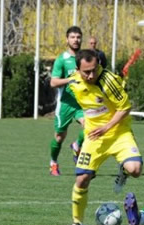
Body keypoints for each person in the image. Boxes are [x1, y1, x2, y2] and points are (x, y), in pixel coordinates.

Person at [62, 49, 143, 225]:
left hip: (118, 133)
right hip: (93, 138)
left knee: (135, 170)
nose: (91, 75)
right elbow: (73, 104)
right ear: (77, 70)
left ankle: (123, 170)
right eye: (86, 72)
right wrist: (81, 119)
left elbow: (125, 108)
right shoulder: (73, 81)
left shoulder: (109, 81)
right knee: (82, 179)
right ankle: (77, 224)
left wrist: (106, 128)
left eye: (94, 69)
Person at [49, 26, 86, 176]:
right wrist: (71, 79)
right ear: (67, 39)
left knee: (90, 127)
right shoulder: (62, 60)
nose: (76, 40)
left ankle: (77, 145)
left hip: (81, 104)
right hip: (65, 104)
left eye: (78, 37)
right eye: (72, 37)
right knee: (59, 137)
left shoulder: (85, 58)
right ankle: (53, 163)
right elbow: (53, 82)